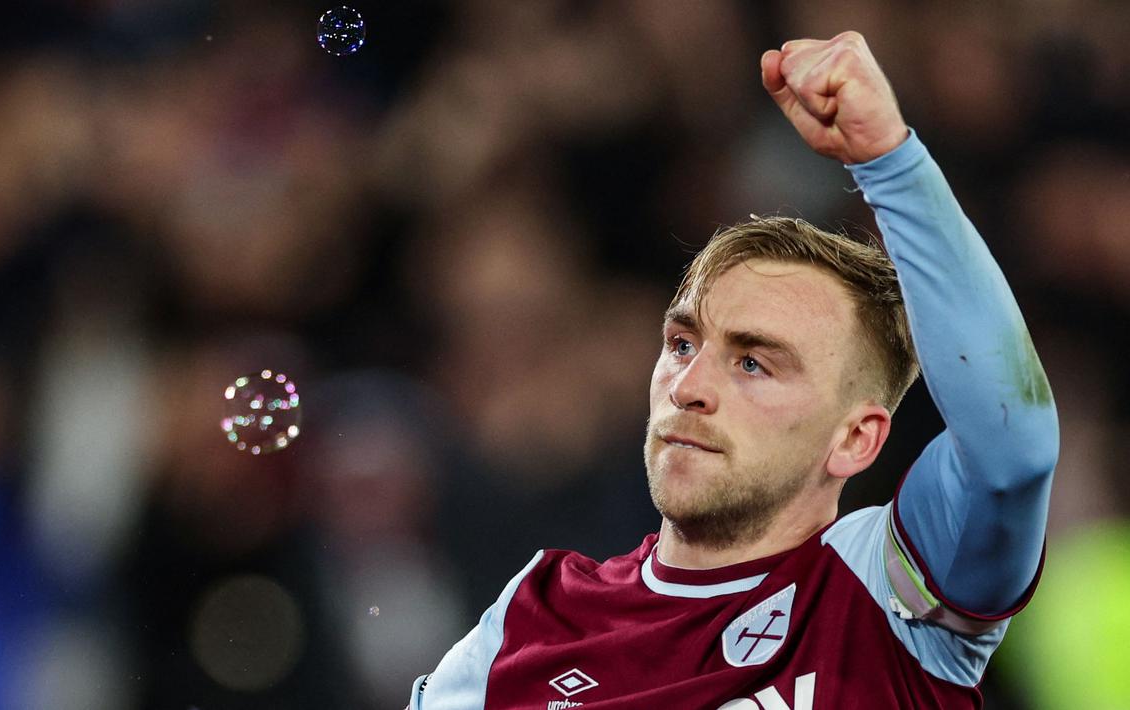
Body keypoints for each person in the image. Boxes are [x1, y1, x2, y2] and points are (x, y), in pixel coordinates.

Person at [408, 32, 1058, 709]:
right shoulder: (529, 619)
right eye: (682, 345)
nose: (688, 390)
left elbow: (1009, 450)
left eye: (752, 363)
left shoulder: (885, 589)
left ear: (855, 438)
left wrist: (889, 163)